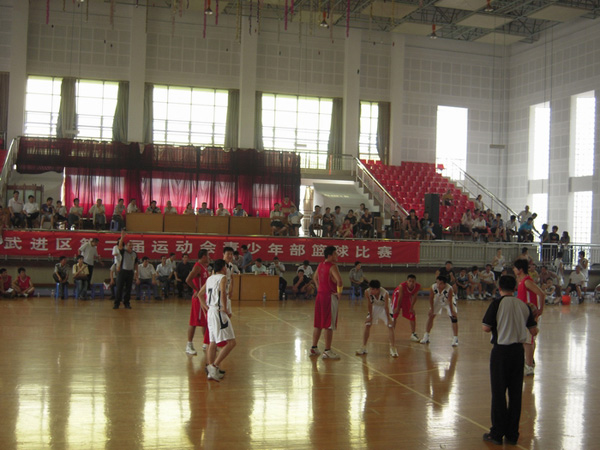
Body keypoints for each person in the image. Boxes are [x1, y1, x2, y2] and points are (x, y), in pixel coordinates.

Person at [482, 275, 538, 446]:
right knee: (515, 394)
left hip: (501, 353)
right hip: (517, 353)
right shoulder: (523, 305)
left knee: (499, 394)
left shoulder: (496, 304)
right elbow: (534, 331)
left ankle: (497, 433)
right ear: (514, 288)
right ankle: (512, 434)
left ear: (499, 287)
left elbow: (486, 328)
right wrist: (533, 315)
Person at [198, 259, 237, 381]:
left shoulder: (210, 278)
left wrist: (206, 308)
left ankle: (211, 372)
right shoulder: (222, 278)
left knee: (213, 342)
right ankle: (213, 366)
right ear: (223, 268)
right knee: (231, 342)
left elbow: (199, 294)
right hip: (219, 312)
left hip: (211, 311)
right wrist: (225, 308)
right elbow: (223, 292)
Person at [310, 246, 343, 359]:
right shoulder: (333, 266)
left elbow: (315, 278)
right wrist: (339, 293)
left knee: (318, 323)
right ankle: (327, 350)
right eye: (335, 254)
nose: (337, 256)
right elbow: (339, 281)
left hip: (320, 296)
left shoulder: (320, 265)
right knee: (329, 324)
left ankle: (314, 347)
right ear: (329, 256)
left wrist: (319, 287)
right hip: (329, 296)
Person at [513, 259, 545, 376]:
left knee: (527, 341)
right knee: (529, 340)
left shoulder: (527, 282)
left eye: (515, 268)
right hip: (523, 314)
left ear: (520, 269)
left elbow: (541, 294)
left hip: (529, 314)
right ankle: (530, 361)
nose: (513, 270)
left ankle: (529, 366)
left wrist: (540, 309)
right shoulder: (521, 281)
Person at [356, 280, 397, 357]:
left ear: (378, 289)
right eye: (370, 288)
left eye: (373, 289)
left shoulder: (385, 293)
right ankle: (364, 347)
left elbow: (386, 307)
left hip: (384, 307)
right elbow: (369, 304)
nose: (371, 290)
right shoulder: (367, 292)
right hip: (375, 306)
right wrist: (370, 316)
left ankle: (393, 348)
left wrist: (389, 319)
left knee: (390, 326)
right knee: (367, 324)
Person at [185, 249, 211, 356]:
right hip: (198, 299)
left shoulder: (204, 267)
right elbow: (188, 279)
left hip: (204, 297)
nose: (209, 257)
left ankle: (206, 343)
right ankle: (189, 345)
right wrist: (196, 290)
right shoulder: (197, 267)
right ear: (203, 256)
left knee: (205, 321)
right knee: (194, 322)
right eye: (208, 255)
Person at [420, 275, 458, 347]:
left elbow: (449, 301)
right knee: (431, 316)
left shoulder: (449, 288)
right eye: (437, 283)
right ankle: (426, 336)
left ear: (445, 284)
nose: (438, 285)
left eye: (440, 284)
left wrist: (452, 311)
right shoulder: (433, 287)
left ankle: (455, 338)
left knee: (454, 318)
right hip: (438, 299)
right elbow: (431, 298)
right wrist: (432, 309)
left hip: (448, 301)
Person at [391, 274, 421, 342]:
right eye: (409, 281)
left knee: (412, 314)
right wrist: (397, 307)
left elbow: (415, 297)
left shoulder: (417, 286)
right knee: (394, 315)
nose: (411, 283)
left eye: (413, 281)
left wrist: (411, 307)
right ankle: (391, 333)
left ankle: (413, 334)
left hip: (407, 297)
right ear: (407, 281)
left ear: (415, 282)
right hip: (397, 296)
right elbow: (400, 297)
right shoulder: (402, 286)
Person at [114, 229, 139, 309]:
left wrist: (136, 274)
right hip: (122, 271)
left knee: (128, 289)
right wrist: (122, 237)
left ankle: (126, 303)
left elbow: (136, 264)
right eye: (129, 245)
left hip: (130, 272)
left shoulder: (134, 254)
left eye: (132, 245)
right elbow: (120, 246)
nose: (131, 247)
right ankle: (117, 303)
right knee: (119, 288)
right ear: (126, 246)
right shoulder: (123, 251)